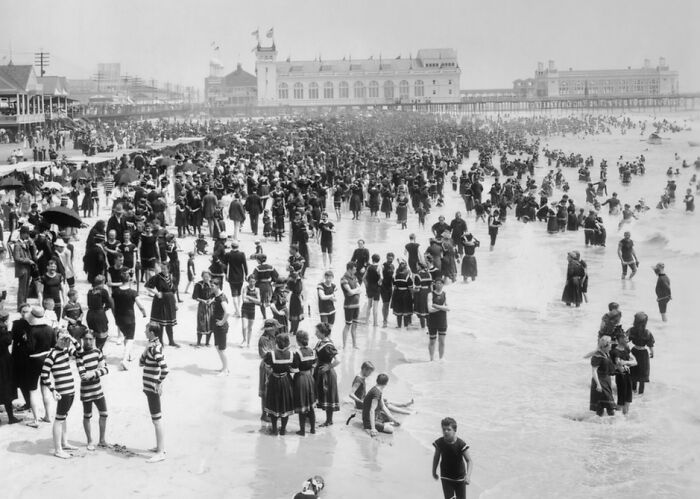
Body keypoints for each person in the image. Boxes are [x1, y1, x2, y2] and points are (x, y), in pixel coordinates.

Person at [41, 333, 79, 458]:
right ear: (56, 339)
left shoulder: (66, 351)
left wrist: (72, 339)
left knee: (64, 417)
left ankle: (64, 442)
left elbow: (80, 352)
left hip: (71, 390)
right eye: (61, 339)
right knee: (59, 419)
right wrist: (53, 390)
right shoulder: (51, 356)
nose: (64, 342)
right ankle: (58, 450)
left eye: (65, 340)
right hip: (63, 391)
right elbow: (44, 375)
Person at [139, 323, 168, 463]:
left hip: (152, 388)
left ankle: (161, 451)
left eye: (146, 329)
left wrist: (158, 382)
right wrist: (145, 349)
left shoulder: (155, 348)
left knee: (157, 420)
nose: (144, 331)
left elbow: (165, 369)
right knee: (156, 419)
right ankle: (159, 447)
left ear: (151, 332)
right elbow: (141, 362)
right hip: (149, 388)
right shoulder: (152, 346)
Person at [76, 330, 109, 450]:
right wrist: (95, 373)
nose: (88, 341)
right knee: (87, 416)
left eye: (90, 339)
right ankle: (89, 440)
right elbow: (82, 375)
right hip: (86, 391)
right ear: (82, 340)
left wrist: (93, 373)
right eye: (86, 339)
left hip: (98, 389)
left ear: (94, 339)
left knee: (104, 414)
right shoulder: (79, 355)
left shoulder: (97, 352)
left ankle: (102, 440)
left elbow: (106, 369)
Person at [113, 270, 147, 370]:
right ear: (129, 280)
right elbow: (140, 305)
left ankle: (129, 355)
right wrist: (144, 313)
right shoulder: (132, 292)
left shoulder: (115, 292)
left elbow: (114, 305)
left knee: (126, 336)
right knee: (130, 339)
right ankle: (124, 360)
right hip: (129, 318)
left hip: (119, 318)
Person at [432, 417, 473, 499]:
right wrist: (434, 471)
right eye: (444, 429)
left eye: (448, 429)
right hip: (446, 476)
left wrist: (468, 476)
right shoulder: (440, 443)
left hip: (460, 478)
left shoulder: (461, 444)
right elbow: (436, 458)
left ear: (455, 430)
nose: (445, 431)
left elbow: (469, 461)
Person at [263, 332, 295, 435]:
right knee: (285, 406)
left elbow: (267, 369)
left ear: (276, 343)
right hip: (286, 381)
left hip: (274, 381)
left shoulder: (271, 354)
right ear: (287, 344)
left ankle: (275, 429)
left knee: (274, 405)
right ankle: (283, 429)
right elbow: (293, 369)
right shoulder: (291, 354)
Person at [145, 264, 179, 347]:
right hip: (160, 301)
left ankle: (171, 341)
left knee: (169, 323)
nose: (163, 270)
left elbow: (174, 292)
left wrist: (176, 303)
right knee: (161, 323)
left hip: (170, 301)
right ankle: (161, 342)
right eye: (162, 268)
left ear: (168, 269)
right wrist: (156, 293)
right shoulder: (157, 277)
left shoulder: (172, 278)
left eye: (165, 269)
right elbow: (147, 286)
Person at [314, 322, 339, 427]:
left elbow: (338, 360)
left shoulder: (329, 345)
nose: (315, 333)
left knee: (328, 396)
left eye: (317, 332)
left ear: (323, 333)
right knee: (320, 394)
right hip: (319, 371)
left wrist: (328, 367)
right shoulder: (320, 342)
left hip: (327, 374)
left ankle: (329, 420)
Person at [292, 330, 317, 436]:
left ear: (298, 340)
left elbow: (294, 369)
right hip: (310, 378)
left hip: (301, 379)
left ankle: (302, 430)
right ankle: (312, 429)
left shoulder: (297, 353)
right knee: (311, 406)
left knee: (302, 406)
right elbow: (313, 366)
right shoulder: (312, 351)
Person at [0, 310, 21, 424]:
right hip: (4, 361)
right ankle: (11, 417)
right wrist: (8, 330)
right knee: (6, 387)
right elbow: (7, 341)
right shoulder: (3, 329)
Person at [610, 330, 636, 415]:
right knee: (621, 400)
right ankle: (616, 418)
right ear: (620, 339)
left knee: (628, 399)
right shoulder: (615, 352)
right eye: (626, 337)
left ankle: (625, 418)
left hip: (628, 376)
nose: (628, 339)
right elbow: (618, 365)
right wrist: (626, 364)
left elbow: (635, 362)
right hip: (621, 377)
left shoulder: (626, 349)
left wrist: (625, 362)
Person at [628, 312, 655, 395]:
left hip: (634, 351)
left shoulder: (631, 330)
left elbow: (625, 340)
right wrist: (652, 353)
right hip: (643, 354)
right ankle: (640, 394)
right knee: (642, 376)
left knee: (634, 373)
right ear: (645, 322)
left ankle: (633, 391)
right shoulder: (647, 332)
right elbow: (650, 345)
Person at [589, 335, 616, 417]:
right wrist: (598, 384)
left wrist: (612, 382)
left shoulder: (606, 354)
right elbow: (594, 371)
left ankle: (601, 427)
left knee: (603, 407)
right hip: (600, 382)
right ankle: (614, 426)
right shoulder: (598, 355)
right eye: (610, 344)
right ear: (605, 346)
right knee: (609, 408)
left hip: (606, 381)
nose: (611, 346)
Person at [86, 276, 113, 351]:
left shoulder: (90, 291)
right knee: (103, 334)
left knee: (92, 333)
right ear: (103, 282)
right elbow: (109, 304)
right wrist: (104, 309)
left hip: (90, 314)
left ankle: (91, 350)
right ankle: (98, 351)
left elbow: (88, 304)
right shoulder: (103, 291)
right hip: (99, 314)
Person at [210, 279, 230, 375]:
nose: (211, 287)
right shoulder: (217, 296)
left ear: (218, 286)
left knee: (222, 349)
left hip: (221, 327)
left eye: (212, 286)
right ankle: (224, 367)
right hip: (217, 326)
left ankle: (225, 370)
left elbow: (228, 312)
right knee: (217, 347)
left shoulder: (221, 298)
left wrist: (222, 322)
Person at [427, 278, 450, 361]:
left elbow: (448, 308)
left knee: (442, 342)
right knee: (432, 341)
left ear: (443, 285)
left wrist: (437, 306)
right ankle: (431, 359)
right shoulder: (430, 294)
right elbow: (430, 309)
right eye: (437, 283)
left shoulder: (445, 294)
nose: (439, 285)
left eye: (440, 283)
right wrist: (442, 307)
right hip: (432, 321)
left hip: (442, 321)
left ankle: (441, 359)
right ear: (434, 284)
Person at [340, 262, 361, 349]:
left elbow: (359, 290)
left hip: (356, 305)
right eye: (354, 268)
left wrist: (354, 291)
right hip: (349, 305)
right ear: (349, 269)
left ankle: (354, 345)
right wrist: (355, 290)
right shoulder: (344, 279)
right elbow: (351, 291)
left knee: (355, 325)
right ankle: (344, 346)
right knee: (348, 325)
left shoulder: (354, 277)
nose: (356, 270)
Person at [192, 270, 214, 347]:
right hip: (202, 306)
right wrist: (203, 301)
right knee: (201, 323)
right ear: (202, 277)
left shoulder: (212, 284)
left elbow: (216, 295)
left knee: (210, 323)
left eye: (207, 276)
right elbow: (194, 297)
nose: (206, 278)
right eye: (204, 276)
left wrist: (211, 300)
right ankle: (198, 342)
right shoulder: (198, 285)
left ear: (210, 277)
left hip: (211, 306)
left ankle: (207, 342)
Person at [241, 274, 261, 347]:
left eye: (253, 281)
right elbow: (244, 300)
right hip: (244, 309)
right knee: (244, 326)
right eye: (250, 281)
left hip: (252, 310)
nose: (251, 283)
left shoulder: (257, 289)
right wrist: (254, 300)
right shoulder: (245, 288)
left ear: (255, 282)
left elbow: (259, 301)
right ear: (248, 281)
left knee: (250, 328)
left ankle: (248, 343)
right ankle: (244, 340)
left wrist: (249, 297)